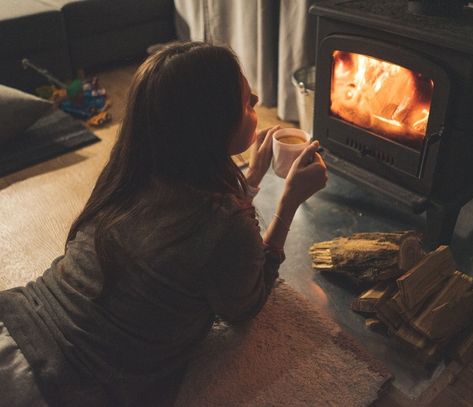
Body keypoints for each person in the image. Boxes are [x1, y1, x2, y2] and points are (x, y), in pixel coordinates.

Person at [0, 41, 327, 406]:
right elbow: (245, 306)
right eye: (247, 102)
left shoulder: (129, 173)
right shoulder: (225, 225)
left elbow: (195, 236)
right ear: (209, 124)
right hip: (53, 383)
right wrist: (288, 204)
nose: (256, 100)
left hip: (15, 320)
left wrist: (250, 179)